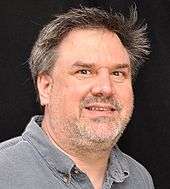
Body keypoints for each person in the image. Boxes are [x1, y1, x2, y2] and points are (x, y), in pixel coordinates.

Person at [0, 6, 154, 189]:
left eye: (118, 73)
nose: (105, 88)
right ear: (46, 87)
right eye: (84, 71)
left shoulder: (139, 179)